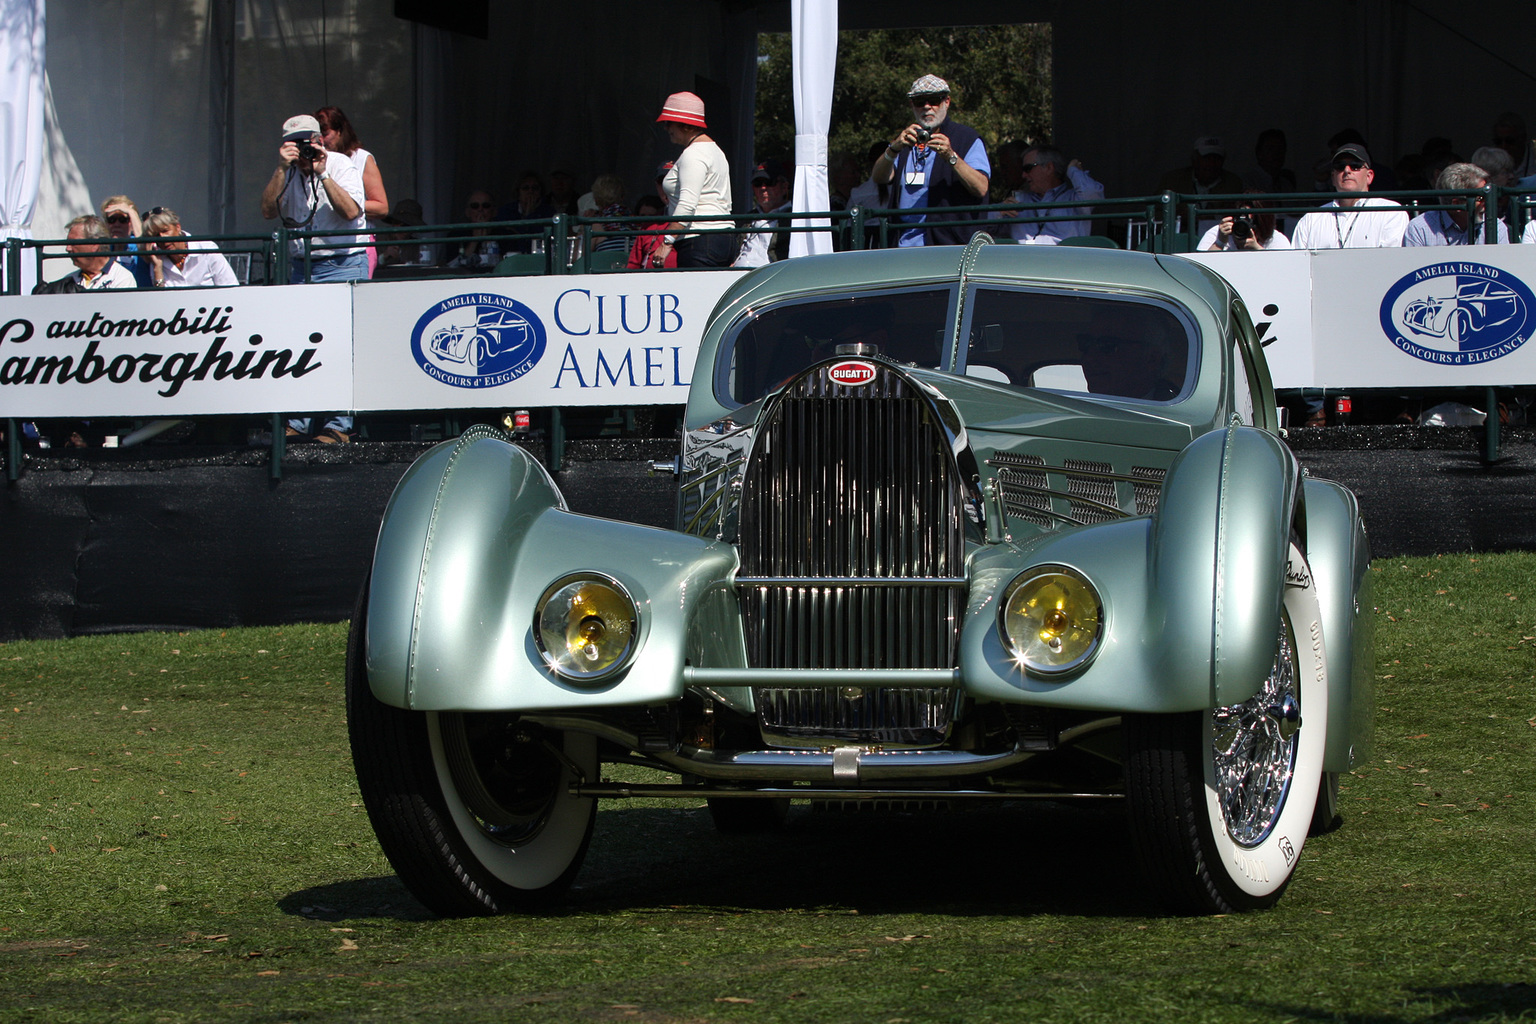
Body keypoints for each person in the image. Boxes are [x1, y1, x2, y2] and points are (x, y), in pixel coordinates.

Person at [870, 74, 990, 246]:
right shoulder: (906, 139)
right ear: (912, 105)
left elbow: (981, 187)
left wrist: (951, 156)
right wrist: (894, 148)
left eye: (934, 100)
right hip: (901, 245)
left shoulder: (966, 138)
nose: (927, 107)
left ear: (946, 102)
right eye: (920, 102)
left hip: (946, 246)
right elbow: (879, 177)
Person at [260, 113, 369, 282]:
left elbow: (351, 212)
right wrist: (281, 169)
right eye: (294, 144)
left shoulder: (340, 163)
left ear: (319, 141)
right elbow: (268, 212)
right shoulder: (287, 170)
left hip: (343, 264)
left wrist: (322, 173)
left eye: (305, 142)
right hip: (301, 267)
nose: (301, 149)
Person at [652, 91, 734, 267]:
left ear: (684, 124)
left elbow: (687, 205)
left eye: (668, 122)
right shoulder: (716, 151)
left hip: (700, 241)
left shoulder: (694, 154)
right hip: (722, 239)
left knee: (698, 295)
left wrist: (666, 242)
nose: (666, 128)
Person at [1289, 144, 1409, 249]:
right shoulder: (1311, 219)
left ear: (1369, 176)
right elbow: (1298, 265)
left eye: (1355, 165)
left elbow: (1392, 264)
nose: (1347, 170)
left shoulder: (1391, 212)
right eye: (1340, 166)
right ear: (1333, 177)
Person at [315, 105, 389, 276]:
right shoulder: (313, 161)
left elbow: (381, 207)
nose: (322, 142)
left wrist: (346, 203)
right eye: (317, 136)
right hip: (322, 249)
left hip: (356, 247)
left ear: (340, 131)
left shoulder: (361, 158)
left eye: (326, 134)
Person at [991, 146, 1103, 244]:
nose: (1023, 175)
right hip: (1023, 264)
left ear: (1049, 168)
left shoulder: (1074, 199)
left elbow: (1092, 192)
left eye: (1028, 169)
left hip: (1063, 265)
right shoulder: (1020, 199)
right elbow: (984, 224)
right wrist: (999, 211)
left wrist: (1073, 170)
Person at [1403, 163, 1508, 246]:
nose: (1487, 203)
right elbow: (1412, 270)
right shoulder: (1420, 228)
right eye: (1481, 198)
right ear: (1457, 204)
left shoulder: (1496, 227)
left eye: (1487, 197)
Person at [1159, 136, 1245, 234]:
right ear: (1194, 159)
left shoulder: (1233, 183)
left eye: (1216, 159)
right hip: (1180, 238)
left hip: (1219, 237)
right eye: (1206, 158)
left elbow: (1238, 213)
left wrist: (1213, 217)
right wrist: (1179, 215)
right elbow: (1156, 213)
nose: (1211, 164)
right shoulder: (1173, 180)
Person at [33, 215, 137, 292]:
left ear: (95, 244)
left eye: (73, 243)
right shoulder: (69, 281)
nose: (67, 248)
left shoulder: (122, 278)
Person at [141, 208, 240, 287]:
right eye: (156, 235)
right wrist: (157, 268)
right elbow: (160, 302)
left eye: (165, 231)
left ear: (178, 227)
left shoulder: (206, 249)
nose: (162, 238)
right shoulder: (157, 261)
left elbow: (230, 286)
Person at [734, 159, 792, 267]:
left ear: (784, 187)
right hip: (736, 275)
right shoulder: (747, 218)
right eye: (758, 184)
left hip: (770, 277)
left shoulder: (794, 220)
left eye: (769, 182)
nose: (763, 188)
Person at [1198, 192, 1291, 251]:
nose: (1246, 227)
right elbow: (1201, 270)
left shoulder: (1276, 239)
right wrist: (1220, 243)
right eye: (1240, 218)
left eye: (1251, 222)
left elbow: (1283, 271)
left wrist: (1257, 248)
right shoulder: (1218, 233)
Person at [98, 195, 154, 287]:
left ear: (131, 223)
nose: (117, 224)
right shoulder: (104, 248)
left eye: (122, 219)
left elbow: (144, 244)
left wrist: (131, 212)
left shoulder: (137, 246)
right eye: (112, 220)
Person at [446, 189, 501, 269]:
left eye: (486, 206)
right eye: (475, 206)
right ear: (467, 212)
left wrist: (488, 241)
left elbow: (508, 265)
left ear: (494, 211)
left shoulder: (505, 233)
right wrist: (474, 240)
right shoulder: (455, 235)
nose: (480, 210)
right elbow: (452, 267)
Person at [626, 195, 676, 269]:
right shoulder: (643, 230)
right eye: (642, 216)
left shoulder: (681, 226)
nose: (646, 220)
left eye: (651, 216)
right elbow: (633, 264)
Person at [587, 174, 630, 252]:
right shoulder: (635, 221)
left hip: (607, 263)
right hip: (632, 262)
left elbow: (577, 258)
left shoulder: (595, 224)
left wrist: (582, 228)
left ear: (596, 199)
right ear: (622, 196)